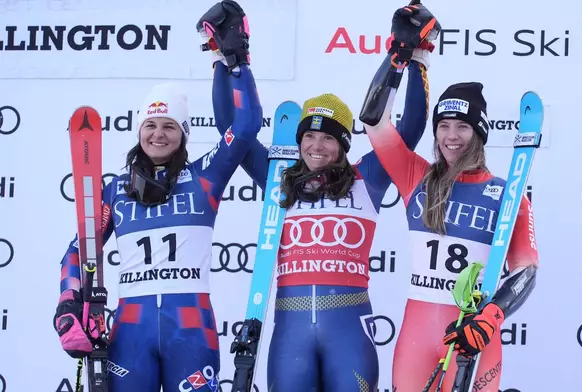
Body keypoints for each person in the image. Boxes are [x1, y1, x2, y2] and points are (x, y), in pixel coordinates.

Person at [209, 2, 437, 390]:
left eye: (328, 137)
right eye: (309, 137)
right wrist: (228, 60)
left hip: (349, 333)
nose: (316, 146)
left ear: (344, 145)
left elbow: (411, 126)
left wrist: (413, 58)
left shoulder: (368, 177)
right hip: (290, 334)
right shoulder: (278, 177)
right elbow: (232, 129)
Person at [53, 5, 263, 390]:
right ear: (139, 132)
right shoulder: (114, 190)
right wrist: (69, 302)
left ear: (183, 133)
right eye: (150, 125)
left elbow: (246, 124)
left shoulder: (204, 177)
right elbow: (78, 251)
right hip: (132, 331)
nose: (158, 134)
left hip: (191, 329)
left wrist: (235, 61)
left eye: (169, 126)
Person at [361, 57, 540, 391]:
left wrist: (492, 317)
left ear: (479, 132)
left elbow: (526, 271)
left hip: (474, 338)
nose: (451, 136)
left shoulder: (508, 193)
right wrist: (401, 57)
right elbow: (374, 121)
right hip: (416, 341)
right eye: (443, 126)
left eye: (462, 126)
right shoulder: (416, 176)